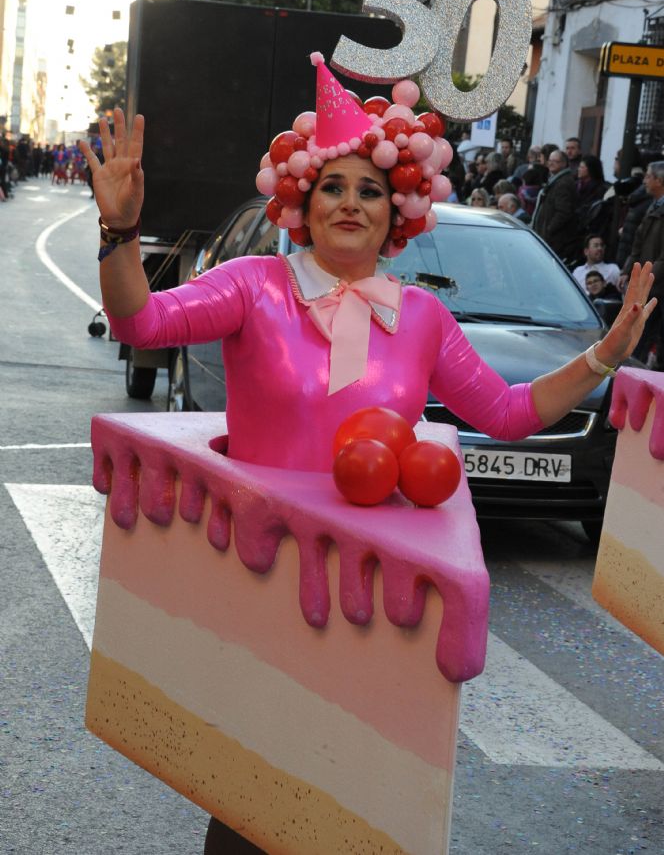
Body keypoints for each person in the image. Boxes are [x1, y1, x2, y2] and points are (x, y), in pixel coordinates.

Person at [82, 67, 656, 851]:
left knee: (348, 796)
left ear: (398, 215)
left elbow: (510, 413)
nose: (351, 201)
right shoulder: (253, 286)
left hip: (362, 592)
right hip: (256, 577)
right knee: (248, 799)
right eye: (332, 187)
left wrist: (599, 358)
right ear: (301, 204)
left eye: (371, 190)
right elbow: (139, 322)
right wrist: (118, 234)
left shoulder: (420, 316)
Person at [619, 161, 664, 366]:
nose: (644, 180)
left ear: (659, 181)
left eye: (648, 176)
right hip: (649, 283)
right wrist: (628, 270)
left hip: (657, 288)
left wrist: (644, 280)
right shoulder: (652, 206)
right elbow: (638, 243)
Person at [532, 149, 578, 263]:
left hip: (555, 239)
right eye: (550, 160)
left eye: (555, 161)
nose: (551, 163)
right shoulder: (555, 180)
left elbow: (563, 212)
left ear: (563, 163)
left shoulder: (563, 183)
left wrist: (548, 230)